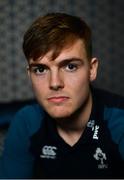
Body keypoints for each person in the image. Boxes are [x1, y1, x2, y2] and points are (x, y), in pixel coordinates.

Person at [0, 12, 124, 179]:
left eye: (70, 66)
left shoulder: (119, 119)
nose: (55, 83)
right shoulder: (26, 122)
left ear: (92, 69)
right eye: (41, 69)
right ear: (29, 74)